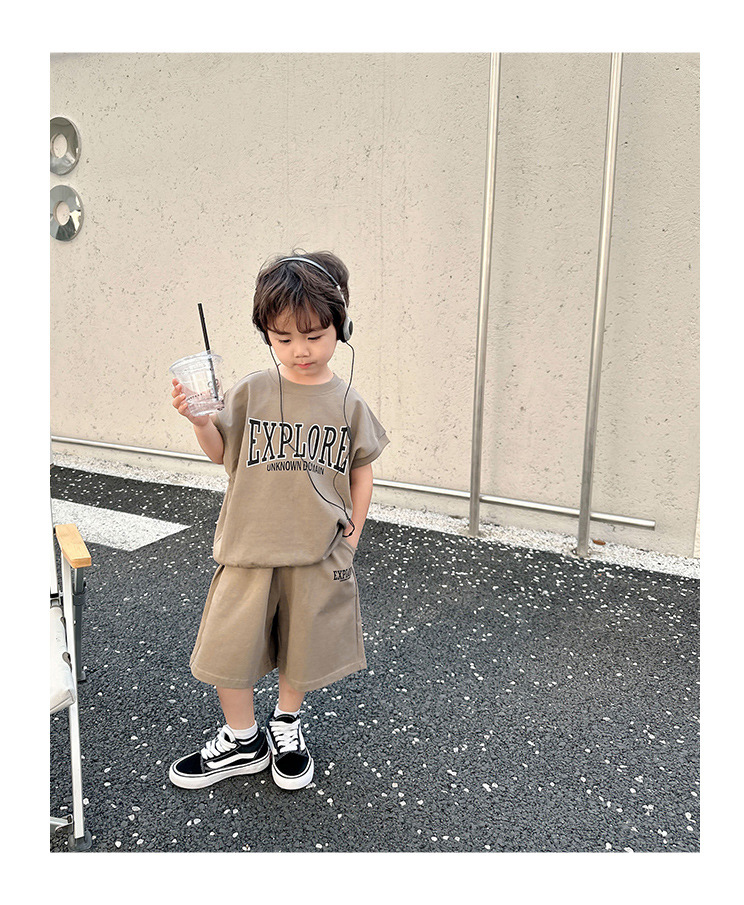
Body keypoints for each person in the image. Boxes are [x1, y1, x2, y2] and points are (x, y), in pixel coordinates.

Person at [167, 251, 390, 791]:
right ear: (266, 334)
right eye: (283, 338)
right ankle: (243, 739)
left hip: (317, 553)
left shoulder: (349, 403)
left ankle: (286, 723)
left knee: (302, 647)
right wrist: (200, 421)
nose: (300, 350)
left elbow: (362, 469)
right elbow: (224, 454)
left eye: (314, 335)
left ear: (341, 326)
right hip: (248, 548)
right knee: (229, 651)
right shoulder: (252, 390)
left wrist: (353, 535)